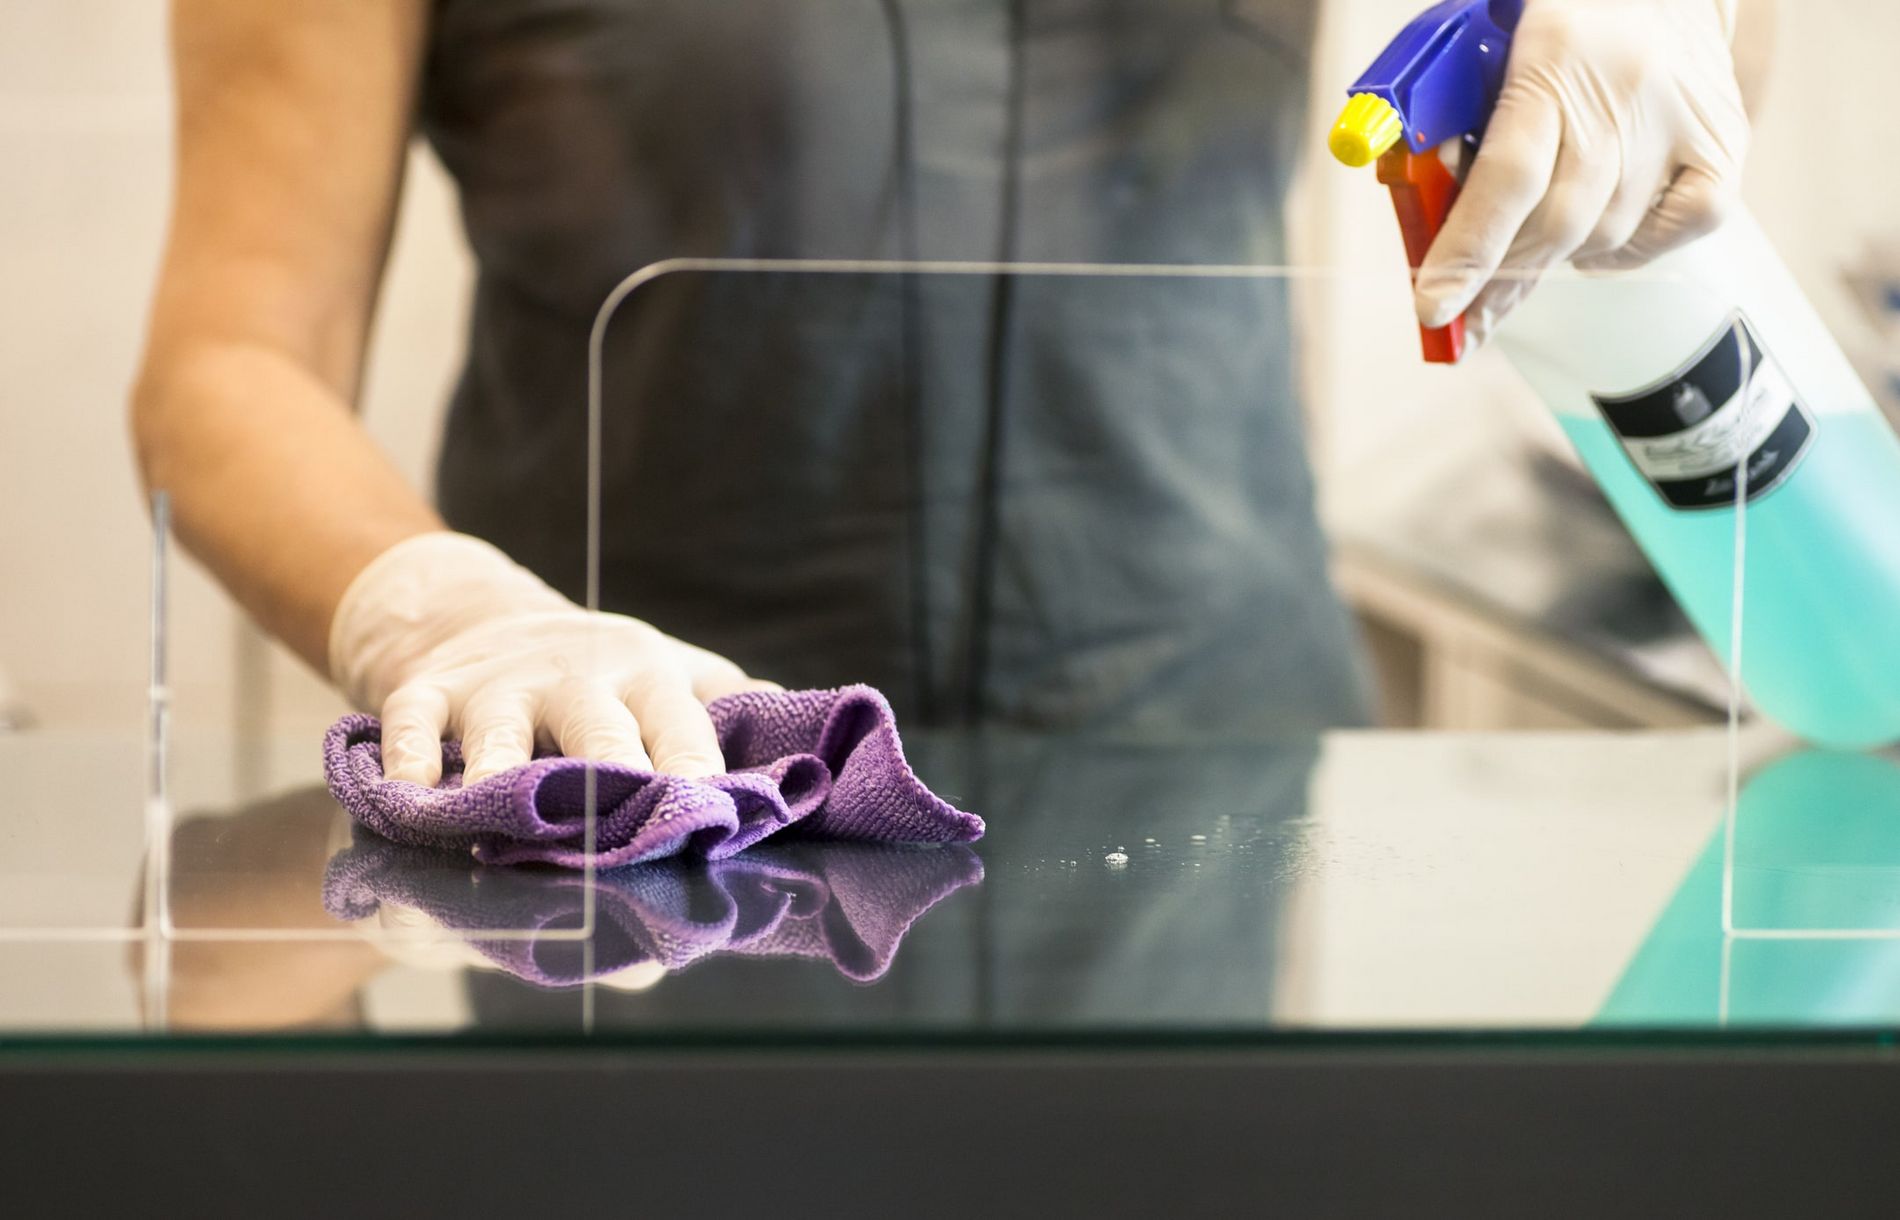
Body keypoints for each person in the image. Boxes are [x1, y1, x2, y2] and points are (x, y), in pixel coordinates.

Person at [132, 0, 1769, 786]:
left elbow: (1683, 131)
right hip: (633, 791)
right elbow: (231, 354)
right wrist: (447, 617)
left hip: (1210, 779)